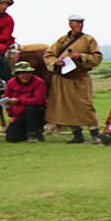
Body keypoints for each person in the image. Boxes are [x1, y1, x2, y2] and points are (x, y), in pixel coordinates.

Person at [43, 15, 103, 144]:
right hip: (63, 79)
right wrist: (56, 62)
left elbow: (97, 58)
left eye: (81, 23)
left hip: (80, 79)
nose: (80, 25)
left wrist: (80, 56)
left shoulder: (88, 40)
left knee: (85, 106)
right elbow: (49, 55)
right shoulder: (62, 40)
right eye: (77, 23)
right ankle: (77, 134)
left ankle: (94, 133)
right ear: (70, 24)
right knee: (67, 107)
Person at [2, 61, 48, 143]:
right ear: (17, 74)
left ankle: (33, 133)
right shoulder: (11, 83)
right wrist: (11, 115)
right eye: (21, 73)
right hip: (19, 114)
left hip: (37, 113)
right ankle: (33, 132)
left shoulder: (39, 82)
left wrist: (18, 100)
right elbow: (6, 101)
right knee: (11, 138)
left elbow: (38, 101)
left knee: (32, 108)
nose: (25, 75)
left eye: (27, 73)